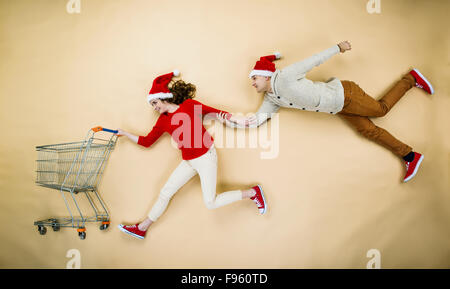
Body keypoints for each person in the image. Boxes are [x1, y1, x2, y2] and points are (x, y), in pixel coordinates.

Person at [222, 41, 433, 183]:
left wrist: (337, 48)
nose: (252, 83)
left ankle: (412, 79)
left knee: (380, 110)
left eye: (254, 78)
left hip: (346, 95)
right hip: (340, 107)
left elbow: (312, 61)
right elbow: (258, 119)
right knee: (369, 131)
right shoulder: (272, 98)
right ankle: (410, 156)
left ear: (266, 75)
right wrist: (230, 120)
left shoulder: (284, 77)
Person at [116, 70, 267, 240]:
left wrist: (237, 119)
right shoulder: (162, 121)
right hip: (188, 161)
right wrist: (125, 133)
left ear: (165, 98)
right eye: (152, 104)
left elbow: (215, 112)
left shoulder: (188, 106)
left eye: (155, 102)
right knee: (166, 192)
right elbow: (146, 141)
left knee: (210, 203)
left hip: (205, 157)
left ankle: (253, 193)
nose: (155, 107)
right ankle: (142, 228)